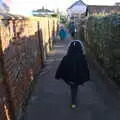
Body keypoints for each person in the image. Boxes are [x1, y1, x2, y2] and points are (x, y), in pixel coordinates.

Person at [55, 40, 90, 109]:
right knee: (75, 87)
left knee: (73, 87)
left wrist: (58, 75)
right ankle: (73, 102)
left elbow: (61, 67)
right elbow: (85, 68)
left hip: (69, 78)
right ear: (80, 48)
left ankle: (73, 102)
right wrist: (87, 76)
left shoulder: (66, 58)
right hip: (78, 77)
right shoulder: (82, 58)